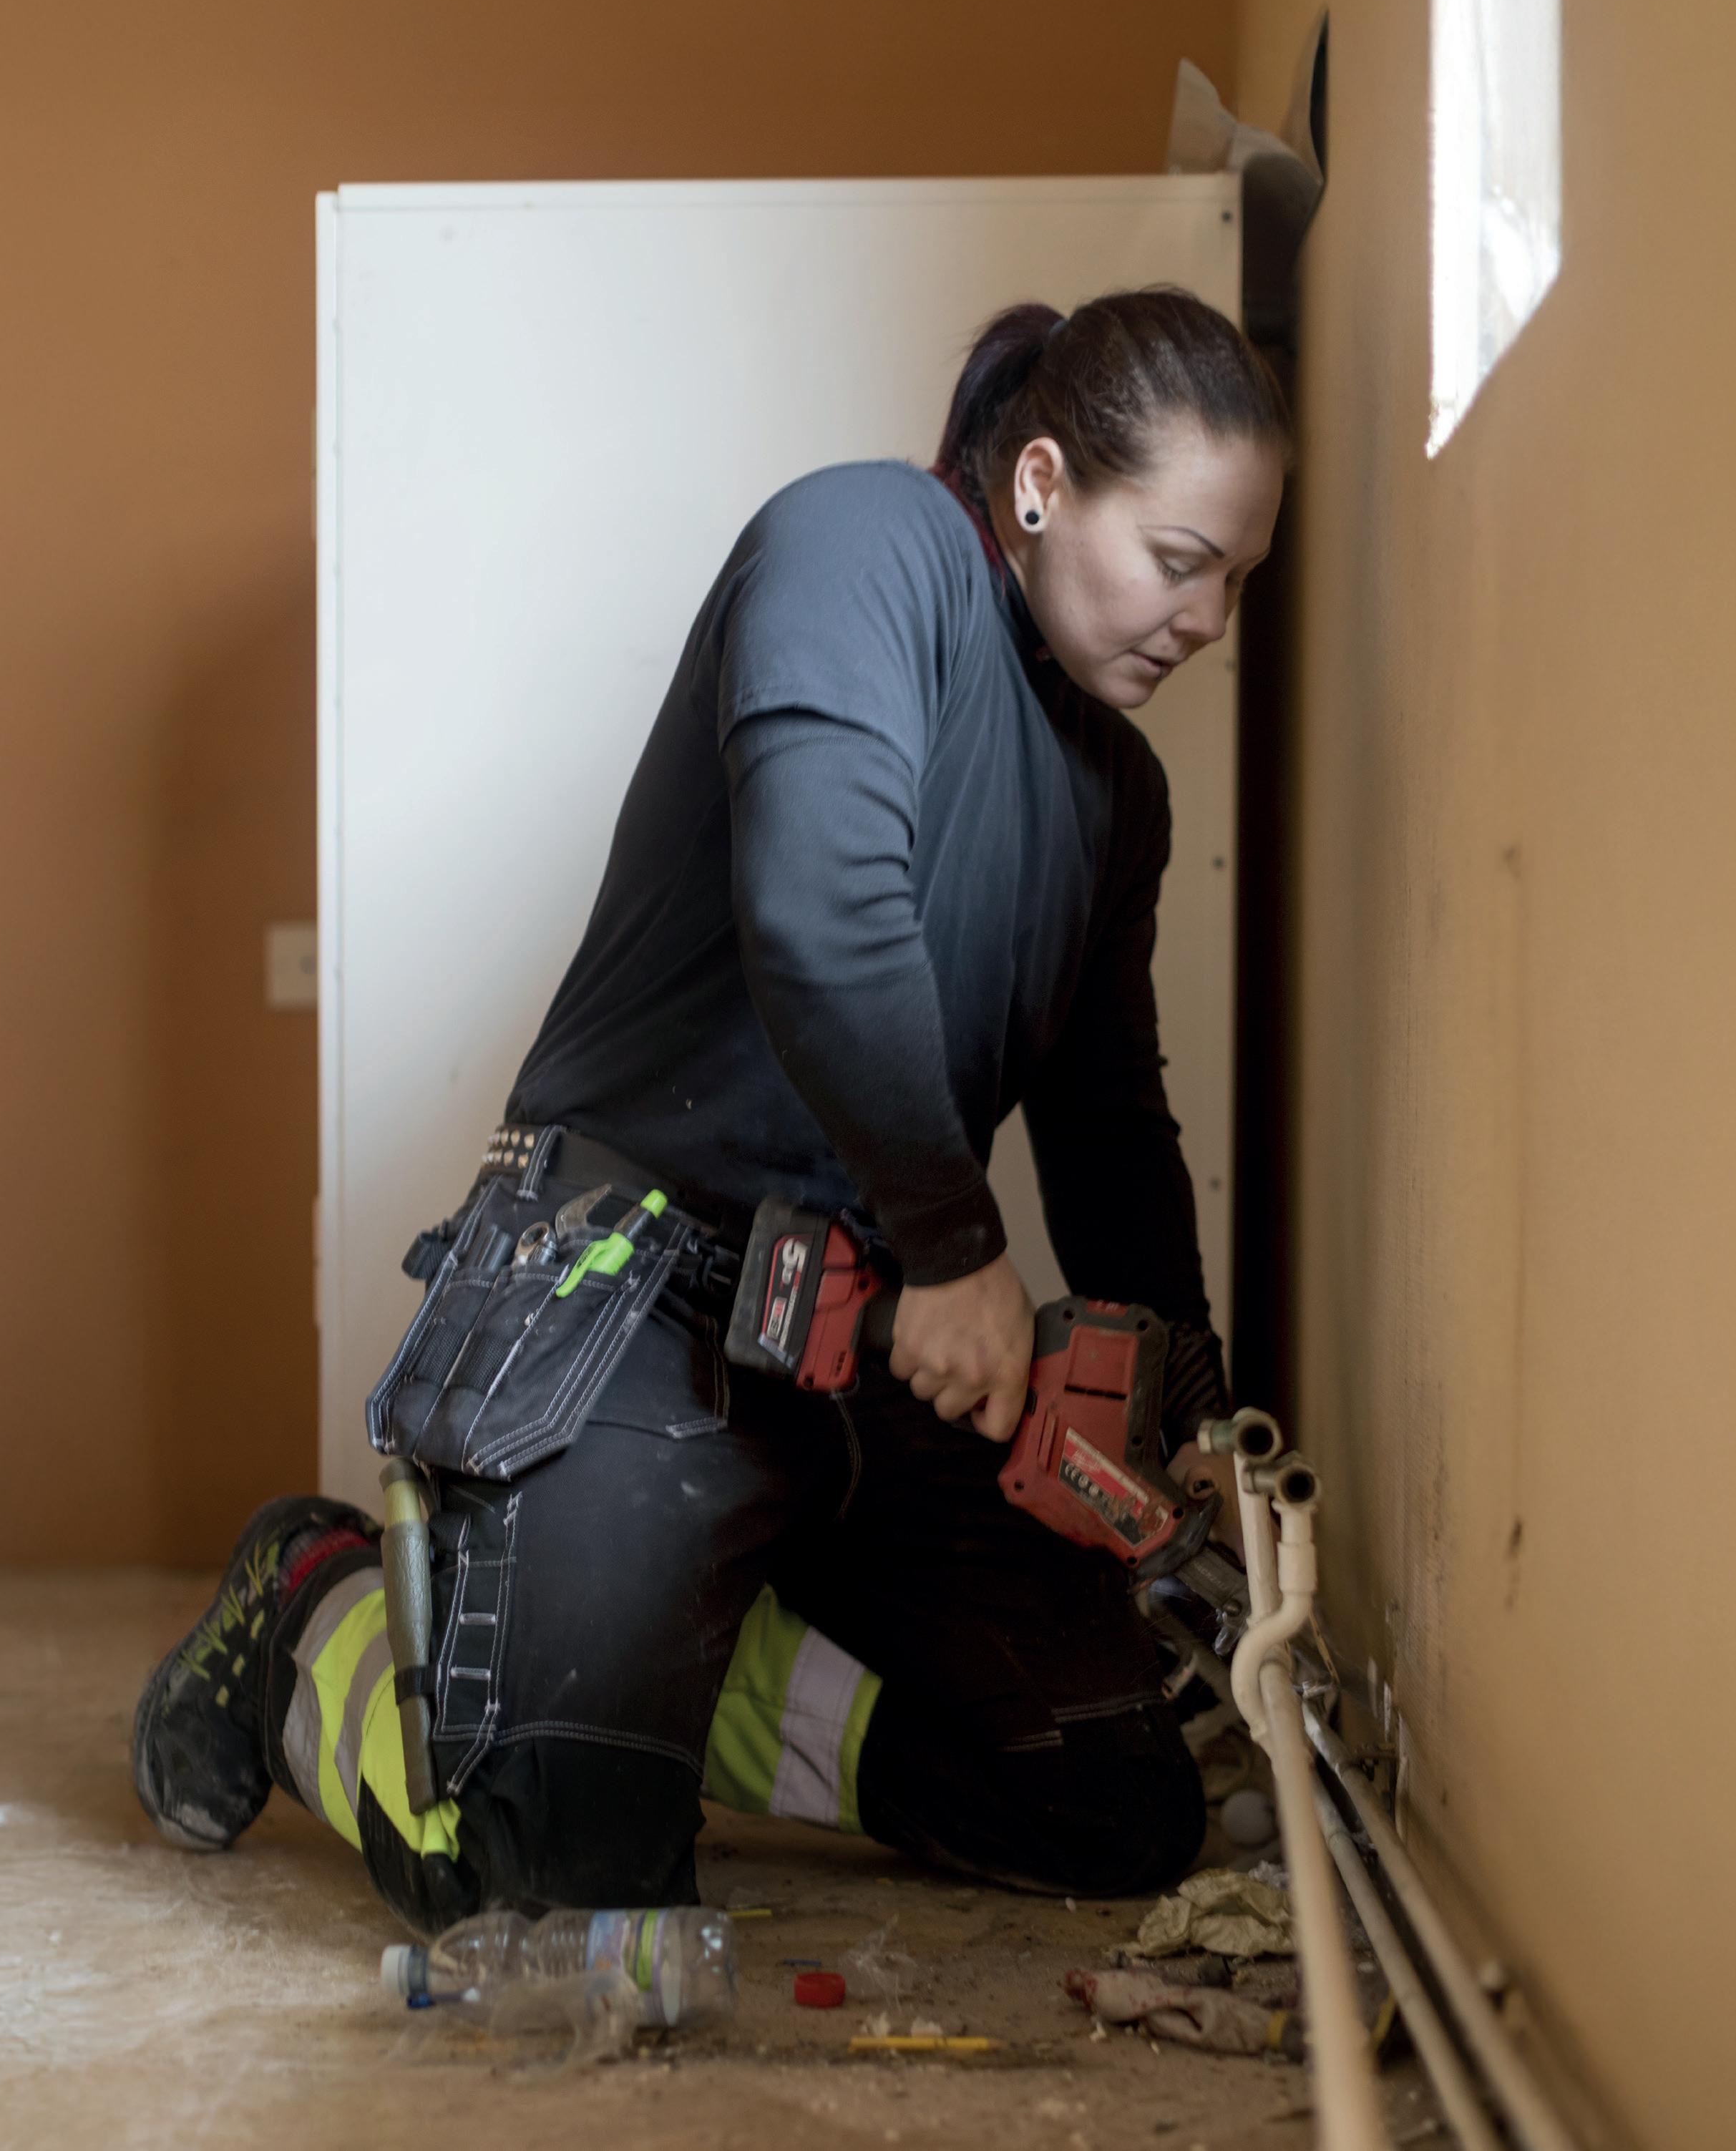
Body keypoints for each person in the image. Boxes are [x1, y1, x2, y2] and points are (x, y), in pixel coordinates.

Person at [133, 287, 1288, 1926]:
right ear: (1042, 483)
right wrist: (958, 1246)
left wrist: (1196, 1419)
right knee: (540, 1890)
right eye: (1183, 559)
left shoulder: (1120, 795)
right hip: (633, 1292)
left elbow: (1109, 1124)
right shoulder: (863, 546)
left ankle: (684, 1665)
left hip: (861, 1343)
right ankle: (309, 1604)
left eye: (1238, 578)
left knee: (1112, 1803)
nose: (1209, 617)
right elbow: (822, 909)